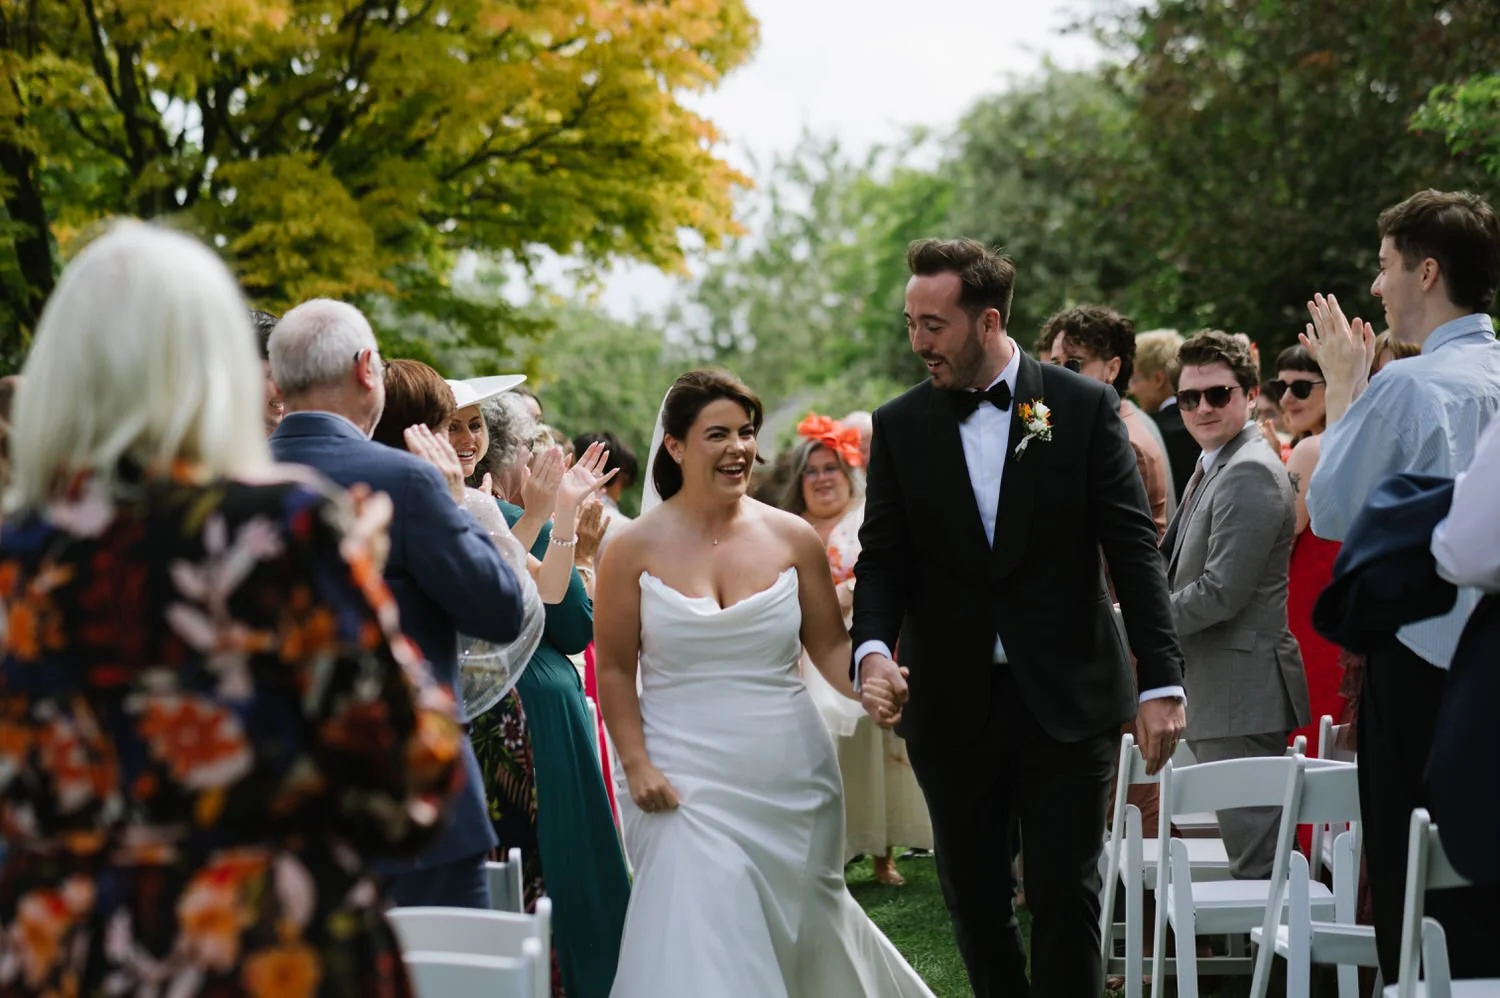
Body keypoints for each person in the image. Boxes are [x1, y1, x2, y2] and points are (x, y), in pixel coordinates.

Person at [0, 221, 464, 995]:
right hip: (262, 949)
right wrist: (361, 583)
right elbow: (409, 786)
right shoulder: (276, 530)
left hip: (61, 957)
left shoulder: (16, 557)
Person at [852, 238, 1186, 998]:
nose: (918, 342)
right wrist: (872, 650)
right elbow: (883, 558)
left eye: (933, 325)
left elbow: (1133, 550)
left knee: (1066, 893)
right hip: (951, 701)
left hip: (1068, 696)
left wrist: (1162, 680)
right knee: (973, 901)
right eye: (910, 323)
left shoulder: (1079, 407)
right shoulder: (900, 425)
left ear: (988, 321)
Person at [596, 370, 933, 998]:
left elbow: (828, 645)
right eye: (717, 434)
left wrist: (870, 678)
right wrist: (636, 764)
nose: (739, 448)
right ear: (675, 446)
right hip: (678, 775)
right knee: (698, 929)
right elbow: (614, 668)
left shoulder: (791, 537)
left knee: (802, 929)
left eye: (747, 432)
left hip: (789, 773)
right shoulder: (630, 549)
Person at [268, 300, 527, 910]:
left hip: (280, 805)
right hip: (416, 799)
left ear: (278, 383)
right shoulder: (406, 481)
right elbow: (500, 611)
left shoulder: (229, 479)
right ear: (367, 369)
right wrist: (453, 505)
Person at [1304, 188, 1500, 983]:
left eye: (1385, 266)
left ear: (1427, 272)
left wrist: (1344, 387)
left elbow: (1329, 508)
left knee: (1414, 884)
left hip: (1422, 661)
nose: (1376, 286)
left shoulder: (1408, 386)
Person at [458, 382, 631, 998]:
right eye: (534, 442)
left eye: (474, 425)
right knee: (559, 869)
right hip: (527, 715)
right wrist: (569, 535)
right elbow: (573, 622)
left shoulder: (492, 513)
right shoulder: (493, 515)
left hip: (529, 706)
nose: (544, 453)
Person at [1161, 331, 1309, 878]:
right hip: (1223, 692)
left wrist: (1134, 624)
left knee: (1259, 867)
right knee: (1250, 863)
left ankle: (1285, 943)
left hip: (1242, 694)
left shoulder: (1248, 468)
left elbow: (1220, 593)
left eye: (1218, 394)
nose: (1202, 407)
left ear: (1249, 394)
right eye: (1189, 397)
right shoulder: (1217, 461)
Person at [781, 412, 932, 886]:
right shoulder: (788, 528)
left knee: (876, 747)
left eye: (831, 468)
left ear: (849, 474)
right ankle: (829, 849)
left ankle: (883, 852)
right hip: (804, 650)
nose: (822, 479)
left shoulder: (869, 517)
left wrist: (845, 593)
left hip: (864, 641)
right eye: (811, 471)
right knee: (819, 747)